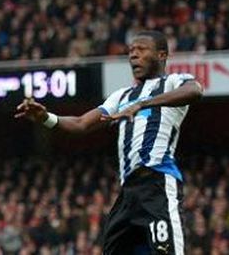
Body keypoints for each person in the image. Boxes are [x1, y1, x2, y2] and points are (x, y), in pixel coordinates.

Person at [15, 30, 203, 254]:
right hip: (127, 195)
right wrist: (46, 118)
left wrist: (143, 105)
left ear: (162, 55)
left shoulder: (173, 82)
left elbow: (195, 90)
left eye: (141, 50)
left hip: (157, 184)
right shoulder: (121, 96)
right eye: (131, 51)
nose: (134, 55)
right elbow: (81, 123)